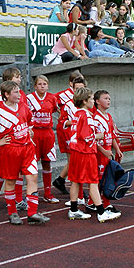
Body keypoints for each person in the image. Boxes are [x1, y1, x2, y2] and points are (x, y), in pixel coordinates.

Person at [0, 81, 49, 225]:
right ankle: (12, 213)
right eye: (16, 92)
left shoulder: (23, 106)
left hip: (28, 148)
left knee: (33, 177)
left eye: (19, 91)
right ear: (6, 94)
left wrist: (29, 132)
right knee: (10, 180)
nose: (19, 94)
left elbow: (29, 121)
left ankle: (32, 213)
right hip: (10, 151)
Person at [64, 87, 120, 222]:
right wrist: (97, 136)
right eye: (90, 99)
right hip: (85, 152)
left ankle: (73, 209)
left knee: (76, 181)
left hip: (76, 151)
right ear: (84, 101)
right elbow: (86, 136)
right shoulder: (86, 114)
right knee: (93, 182)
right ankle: (101, 212)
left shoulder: (77, 114)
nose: (92, 102)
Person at [0, 67, 27, 212]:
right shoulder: (1, 96)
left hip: (19, 139)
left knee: (20, 170)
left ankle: (18, 199)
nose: (20, 79)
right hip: (8, 138)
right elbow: (1, 116)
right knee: (3, 171)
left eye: (20, 76)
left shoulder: (21, 94)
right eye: (17, 76)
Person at [52, 72, 87, 202]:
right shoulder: (64, 96)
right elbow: (51, 101)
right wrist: (59, 112)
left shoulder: (86, 98)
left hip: (81, 133)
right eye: (75, 86)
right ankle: (77, 191)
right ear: (70, 84)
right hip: (68, 132)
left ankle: (61, 180)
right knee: (74, 160)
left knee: (76, 161)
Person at [86, 90, 123, 214]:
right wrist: (103, 151)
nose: (108, 101)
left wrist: (117, 149)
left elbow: (111, 135)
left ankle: (95, 202)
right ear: (97, 101)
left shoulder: (108, 116)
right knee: (100, 179)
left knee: (107, 177)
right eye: (105, 98)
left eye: (109, 98)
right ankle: (100, 203)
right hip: (99, 153)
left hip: (108, 151)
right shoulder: (95, 118)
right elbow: (92, 138)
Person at [27, 75, 60, 203]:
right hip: (34, 133)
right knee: (32, 164)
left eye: (44, 84)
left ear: (48, 85)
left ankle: (48, 193)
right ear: (35, 86)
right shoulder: (29, 98)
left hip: (48, 133)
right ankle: (32, 193)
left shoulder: (52, 98)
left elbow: (59, 111)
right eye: (39, 84)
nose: (42, 86)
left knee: (47, 162)